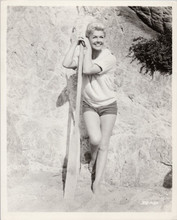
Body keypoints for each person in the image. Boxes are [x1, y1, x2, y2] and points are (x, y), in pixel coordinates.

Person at [62, 22, 117, 194]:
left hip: (108, 105)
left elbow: (86, 69)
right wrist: (74, 44)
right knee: (95, 139)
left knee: (104, 144)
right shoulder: (85, 56)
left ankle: (97, 182)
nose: (98, 40)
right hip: (90, 105)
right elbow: (66, 63)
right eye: (95, 37)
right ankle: (94, 163)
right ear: (89, 38)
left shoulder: (109, 58)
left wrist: (85, 50)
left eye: (101, 37)